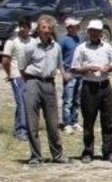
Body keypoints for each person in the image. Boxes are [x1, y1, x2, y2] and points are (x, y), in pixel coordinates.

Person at [19, 15, 69, 165]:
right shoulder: (30, 46)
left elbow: (60, 64)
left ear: (53, 30)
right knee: (32, 121)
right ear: (38, 29)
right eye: (44, 27)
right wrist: (29, 82)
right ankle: (36, 156)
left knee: (53, 122)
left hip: (49, 84)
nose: (46, 30)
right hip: (33, 82)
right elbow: (22, 67)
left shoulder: (57, 47)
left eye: (49, 28)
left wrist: (64, 75)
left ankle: (57, 154)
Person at [71, 19, 112, 163]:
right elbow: (74, 68)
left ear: (101, 32)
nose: (95, 33)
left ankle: (108, 152)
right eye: (92, 30)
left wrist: (107, 68)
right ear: (89, 32)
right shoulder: (81, 48)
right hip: (89, 86)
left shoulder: (107, 47)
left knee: (108, 120)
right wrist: (87, 68)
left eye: (97, 31)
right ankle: (88, 151)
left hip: (104, 85)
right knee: (89, 120)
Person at [2, 16, 32, 141]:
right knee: (22, 103)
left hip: (29, 75)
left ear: (29, 27)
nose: (23, 29)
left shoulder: (32, 41)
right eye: (22, 26)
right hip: (16, 75)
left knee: (25, 103)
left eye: (26, 26)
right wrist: (9, 74)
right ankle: (22, 131)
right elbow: (5, 60)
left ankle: (18, 127)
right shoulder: (12, 41)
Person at [59, 17, 83, 134]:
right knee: (68, 100)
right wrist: (63, 72)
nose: (78, 27)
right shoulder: (64, 40)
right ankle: (66, 123)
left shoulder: (79, 38)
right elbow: (58, 58)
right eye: (75, 25)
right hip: (70, 73)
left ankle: (74, 121)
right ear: (69, 27)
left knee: (77, 99)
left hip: (79, 73)